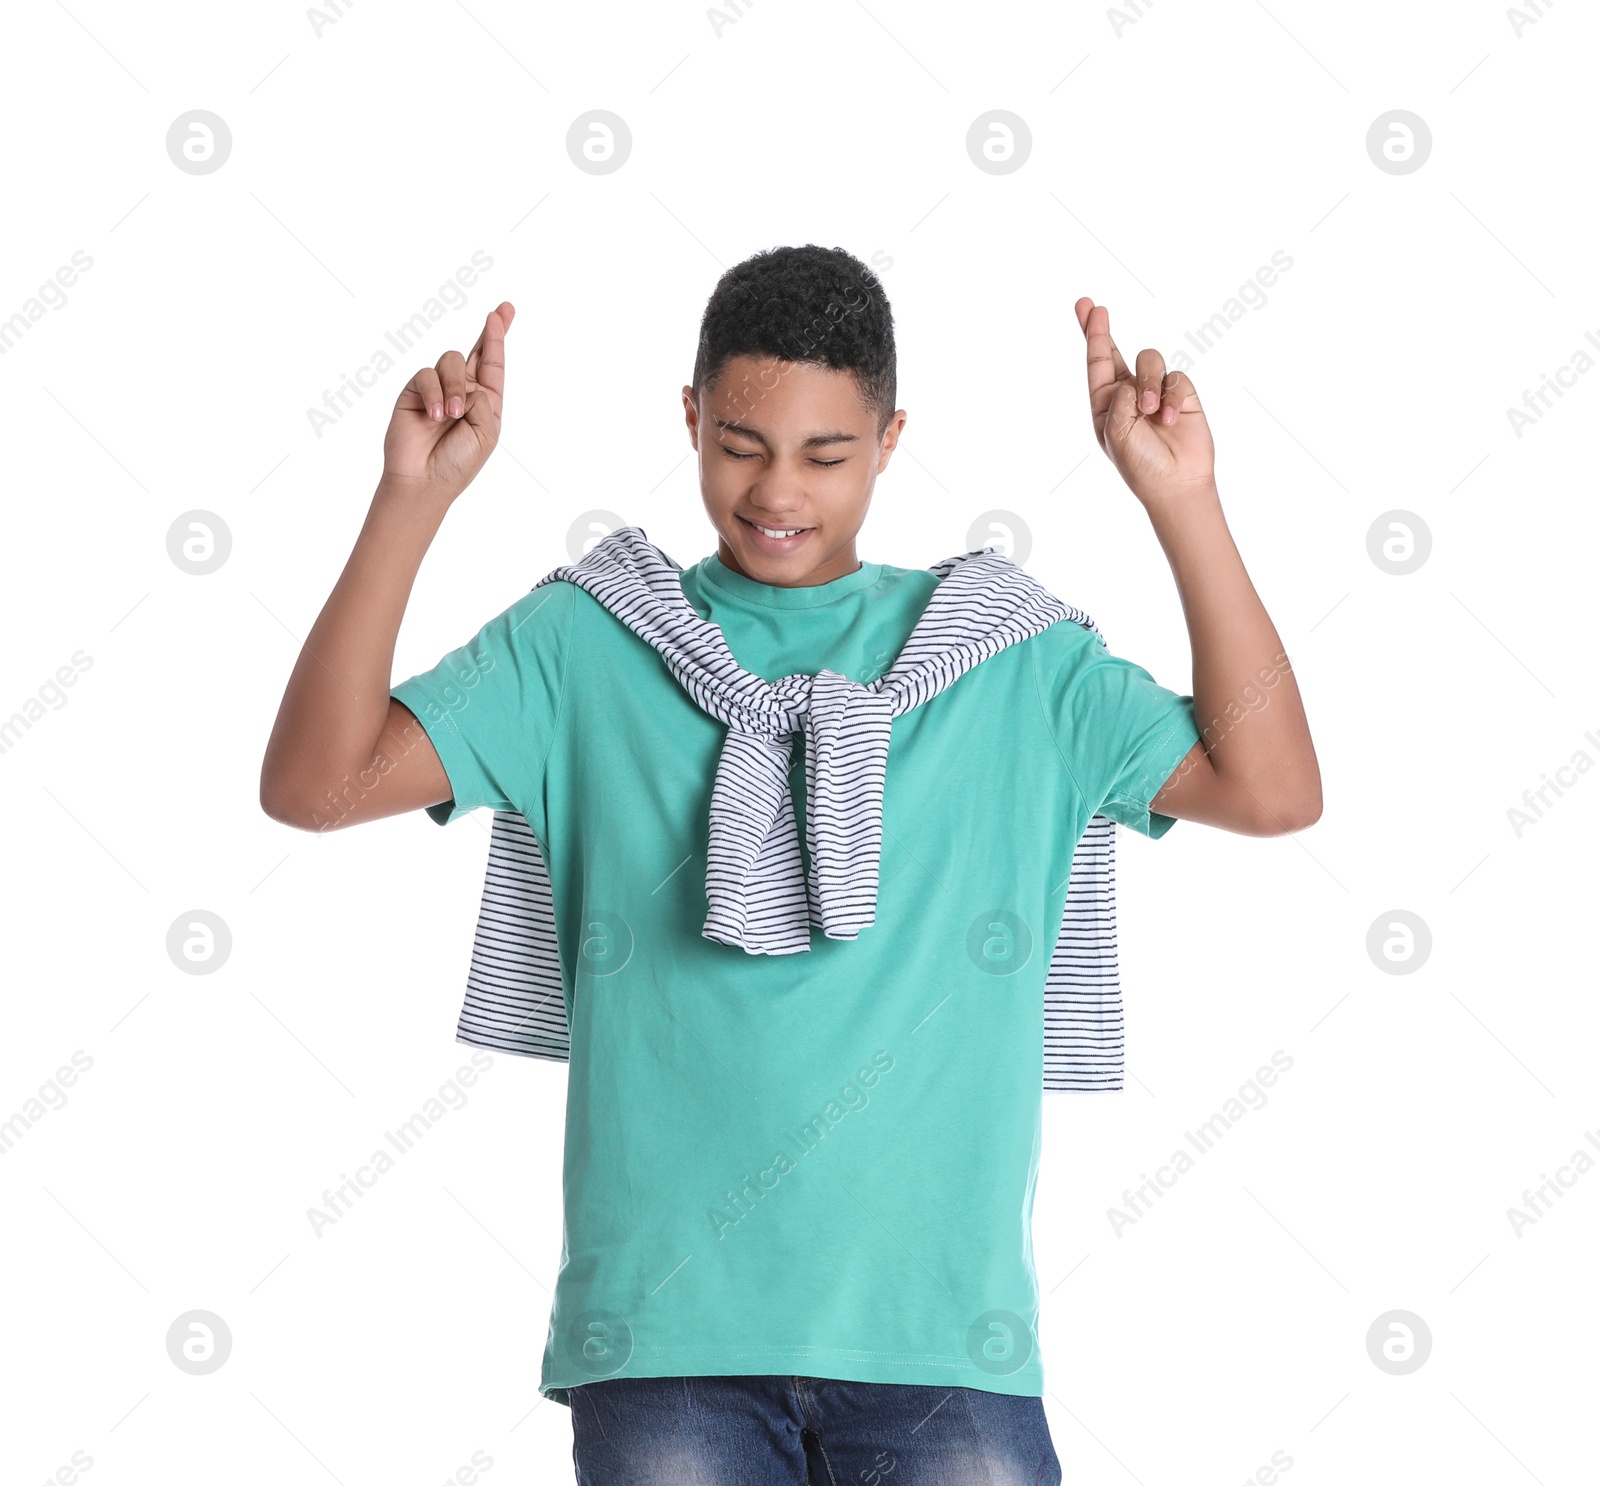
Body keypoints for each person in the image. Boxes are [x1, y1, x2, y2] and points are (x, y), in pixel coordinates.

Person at [259, 244, 1320, 1485]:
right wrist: (410, 500)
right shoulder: (590, 642)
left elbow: (1272, 791)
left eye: (826, 454)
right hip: (663, 1343)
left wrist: (1180, 502)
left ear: (887, 440)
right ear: (691, 419)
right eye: (741, 444)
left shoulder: (1010, 660)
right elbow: (314, 785)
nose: (778, 490)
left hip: (944, 1345)